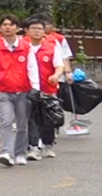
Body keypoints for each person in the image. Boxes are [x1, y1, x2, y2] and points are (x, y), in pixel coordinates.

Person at [0, 14, 39, 167]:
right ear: (0, 28)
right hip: (4, 90)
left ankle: (20, 153)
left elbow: (32, 67)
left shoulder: (26, 46)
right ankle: (6, 152)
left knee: (22, 123)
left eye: (11, 24)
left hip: (23, 90)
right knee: (6, 122)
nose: (8, 27)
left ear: (18, 28)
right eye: (4, 24)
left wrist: (35, 87)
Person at [25, 16, 70, 160]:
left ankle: (48, 145)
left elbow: (59, 65)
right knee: (31, 117)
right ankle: (33, 147)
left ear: (45, 31)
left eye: (40, 29)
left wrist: (57, 75)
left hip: (48, 88)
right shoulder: (23, 46)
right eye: (34, 28)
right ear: (27, 31)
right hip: (29, 88)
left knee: (48, 118)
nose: (37, 31)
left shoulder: (52, 46)